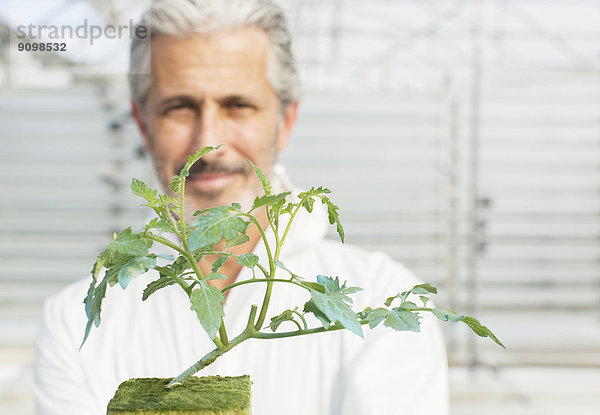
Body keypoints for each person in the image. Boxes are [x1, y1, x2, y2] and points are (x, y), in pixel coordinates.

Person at [32, 1, 449, 414]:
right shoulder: (74, 323)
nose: (208, 144)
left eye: (238, 105)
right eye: (179, 107)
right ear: (142, 124)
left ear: (285, 121)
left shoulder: (384, 300)